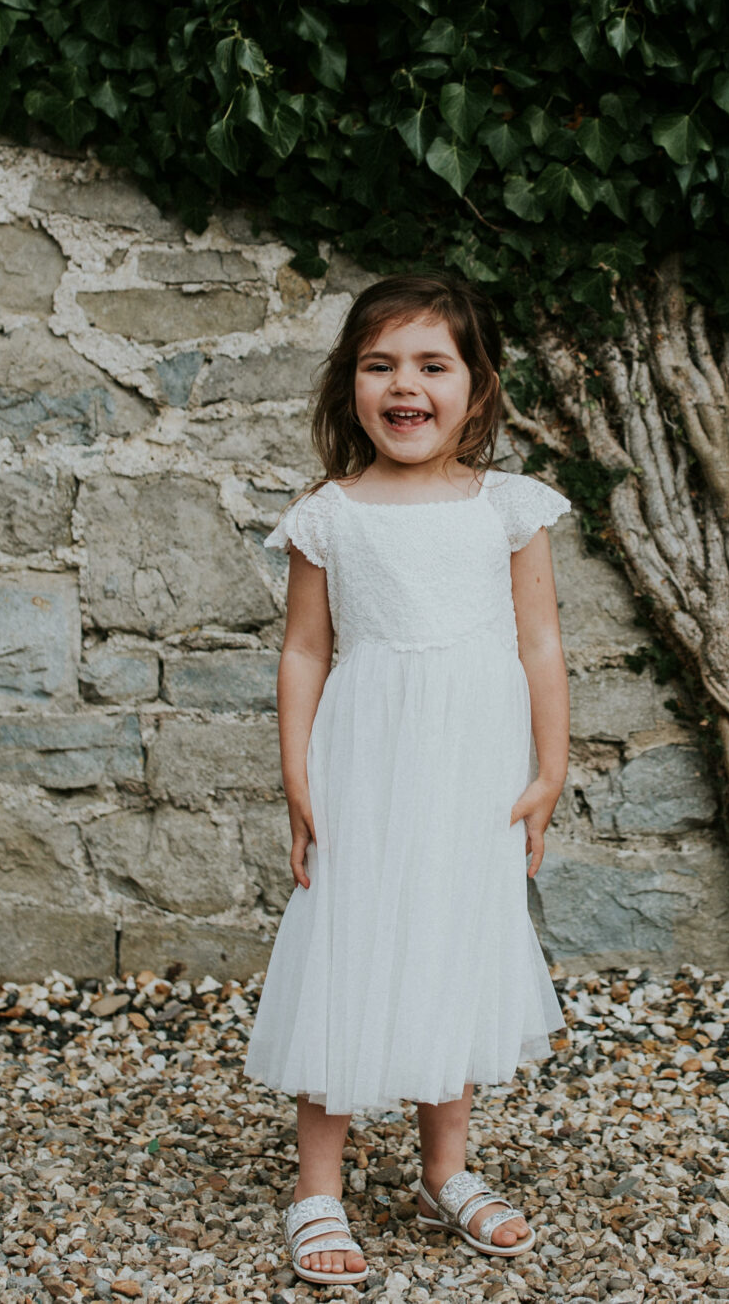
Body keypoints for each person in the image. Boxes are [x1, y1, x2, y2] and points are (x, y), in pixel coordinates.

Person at [242, 273, 572, 1288]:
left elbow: (541, 638)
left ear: (477, 388)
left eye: (433, 365)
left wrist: (550, 767)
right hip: (367, 761)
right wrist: (297, 779)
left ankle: (446, 1171)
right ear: (350, 385)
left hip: (471, 765)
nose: (406, 386)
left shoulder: (505, 509)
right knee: (351, 940)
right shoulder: (331, 516)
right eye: (381, 365)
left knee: (453, 940)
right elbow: (304, 651)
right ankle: (318, 1190)